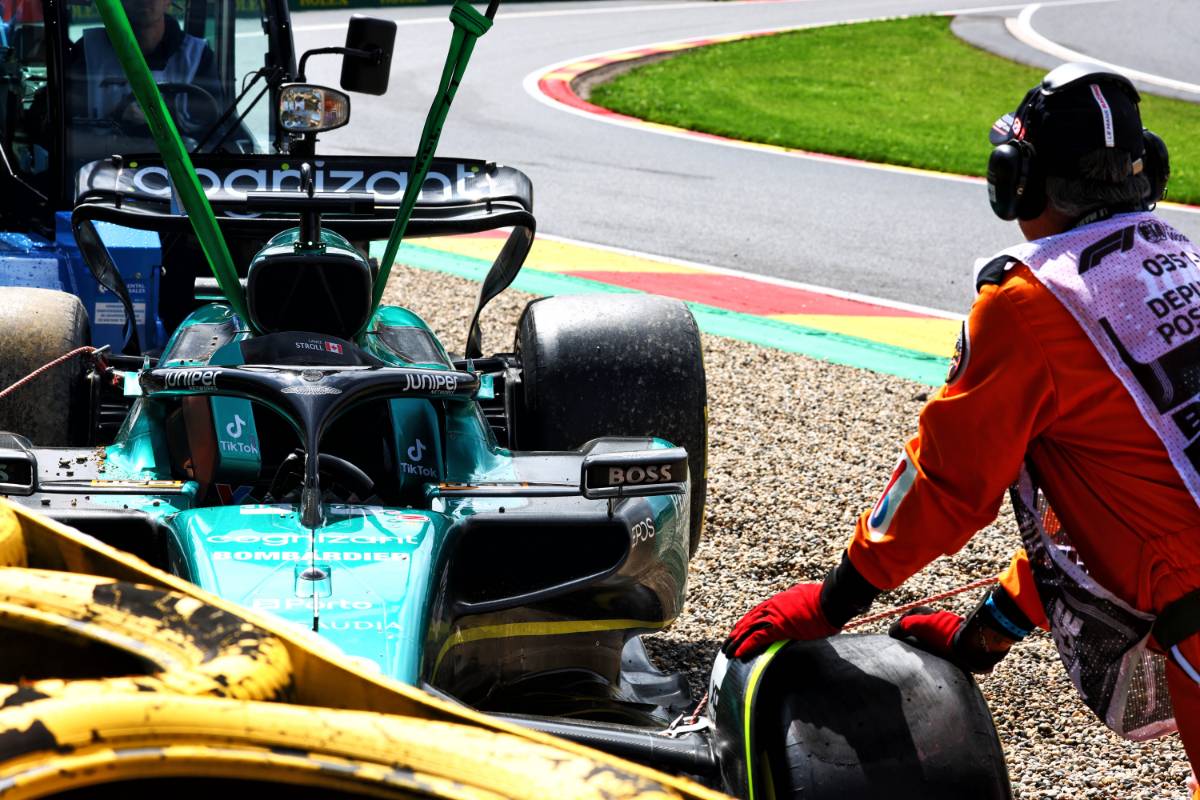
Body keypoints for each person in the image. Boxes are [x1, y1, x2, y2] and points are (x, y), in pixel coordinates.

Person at [723, 62, 1200, 794]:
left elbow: (945, 485)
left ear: (1019, 182)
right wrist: (990, 629)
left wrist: (834, 600)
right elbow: (1133, 507)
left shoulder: (1031, 305)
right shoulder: (1183, 262)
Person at [67, 0, 221, 132]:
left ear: (168, 1)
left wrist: (157, 123)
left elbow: (213, 132)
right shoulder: (86, 52)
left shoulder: (198, 56)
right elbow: (70, 127)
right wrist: (115, 119)